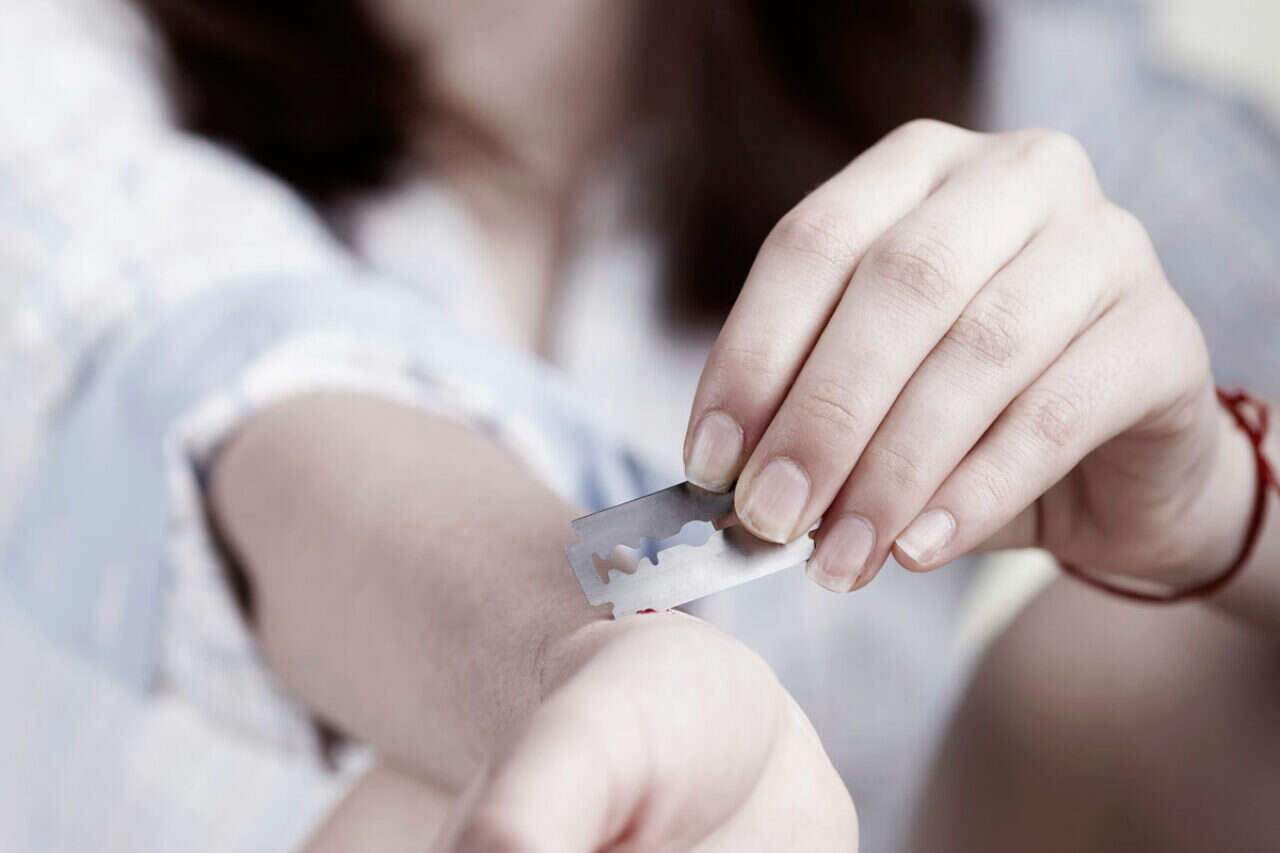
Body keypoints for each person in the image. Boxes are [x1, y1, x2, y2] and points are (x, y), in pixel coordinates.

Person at [2, 0, 1277, 851]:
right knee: (411, 806)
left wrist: (1216, 510)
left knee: (1143, 663)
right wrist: (568, 666)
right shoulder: (53, 63)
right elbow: (220, 373)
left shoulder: (1020, 65)